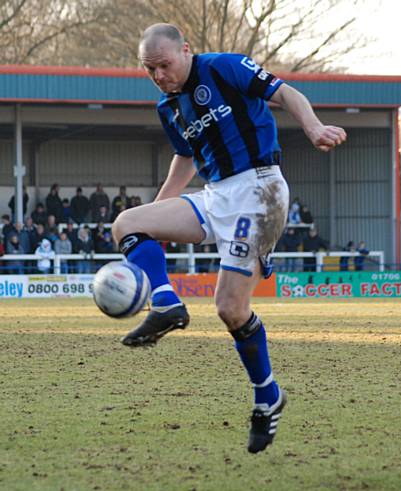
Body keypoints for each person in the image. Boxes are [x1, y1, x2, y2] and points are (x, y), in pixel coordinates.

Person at [111, 23, 346, 453]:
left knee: (230, 309)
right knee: (128, 223)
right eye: (150, 70)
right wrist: (157, 215)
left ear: (186, 50)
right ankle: (166, 304)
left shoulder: (225, 68)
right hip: (216, 195)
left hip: (260, 190)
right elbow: (185, 159)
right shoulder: (168, 107)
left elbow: (288, 94)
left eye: (164, 65)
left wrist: (312, 127)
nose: (159, 76)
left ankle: (268, 397)